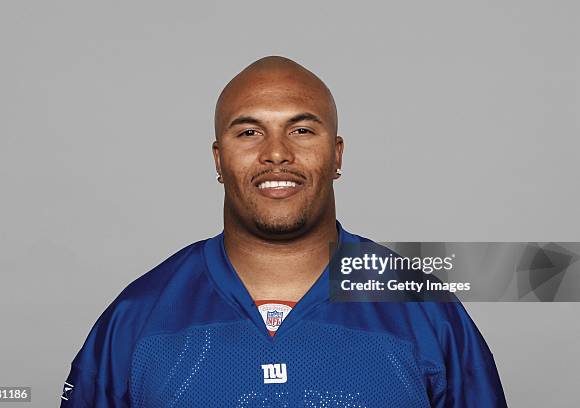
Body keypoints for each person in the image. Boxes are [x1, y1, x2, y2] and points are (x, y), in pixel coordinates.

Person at [60, 56, 507, 407]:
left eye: (302, 129)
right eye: (250, 131)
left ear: (336, 156)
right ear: (219, 161)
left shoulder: (422, 308)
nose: (277, 153)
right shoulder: (138, 317)